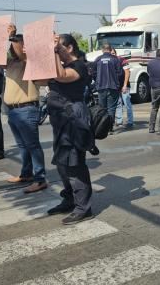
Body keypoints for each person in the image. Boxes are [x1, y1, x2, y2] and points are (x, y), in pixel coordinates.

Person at [46, 33, 95, 225]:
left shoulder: (79, 66)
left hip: (72, 118)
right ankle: (69, 199)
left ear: (70, 48)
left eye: (59, 47)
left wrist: (54, 51)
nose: (56, 50)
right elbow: (40, 80)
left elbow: (62, 76)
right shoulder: (61, 64)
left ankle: (84, 208)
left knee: (74, 163)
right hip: (59, 119)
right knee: (61, 162)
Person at [3, 25, 47, 193]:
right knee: (23, 146)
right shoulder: (12, 63)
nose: (13, 47)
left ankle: (40, 178)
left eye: (16, 43)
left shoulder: (28, 62)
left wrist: (11, 36)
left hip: (27, 110)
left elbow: (21, 53)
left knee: (32, 145)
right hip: (13, 110)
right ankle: (26, 174)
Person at [93, 42, 122, 128]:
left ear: (102, 50)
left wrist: (97, 81)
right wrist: (117, 84)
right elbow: (120, 73)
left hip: (101, 87)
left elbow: (93, 72)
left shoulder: (98, 59)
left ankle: (103, 127)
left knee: (103, 108)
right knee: (111, 108)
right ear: (110, 50)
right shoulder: (115, 59)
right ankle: (110, 128)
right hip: (113, 87)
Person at [114, 53, 133, 130]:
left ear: (115, 53)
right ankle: (119, 121)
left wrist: (125, 85)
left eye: (113, 53)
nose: (112, 54)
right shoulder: (111, 61)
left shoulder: (122, 60)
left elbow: (127, 72)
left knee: (127, 103)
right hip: (116, 87)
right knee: (118, 104)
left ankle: (130, 122)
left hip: (124, 86)